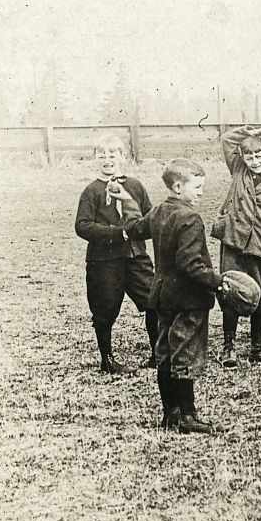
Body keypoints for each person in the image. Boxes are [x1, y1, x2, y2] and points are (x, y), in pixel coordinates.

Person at [132, 158, 225, 433]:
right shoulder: (190, 218)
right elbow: (190, 264)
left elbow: (137, 229)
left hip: (162, 296)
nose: (201, 193)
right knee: (184, 354)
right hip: (188, 299)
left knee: (165, 352)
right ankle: (187, 416)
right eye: (196, 187)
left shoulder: (160, 210)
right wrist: (218, 282)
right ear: (177, 186)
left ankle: (170, 414)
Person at [74, 134, 159, 373]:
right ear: (94, 158)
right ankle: (107, 359)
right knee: (105, 309)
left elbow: (149, 217)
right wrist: (117, 233)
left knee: (154, 301)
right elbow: (82, 225)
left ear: (123, 157)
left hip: (136, 257)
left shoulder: (135, 186)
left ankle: (157, 354)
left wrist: (140, 230)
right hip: (104, 260)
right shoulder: (91, 191)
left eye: (113, 154)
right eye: (102, 155)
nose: (107, 159)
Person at [213, 125, 261, 366]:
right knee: (229, 291)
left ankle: (258, 347)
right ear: (242, 158)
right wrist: (248, 131)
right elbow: (226, 139)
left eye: (259, 155)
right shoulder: (238, 171)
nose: (254, 161)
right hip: (234, 242)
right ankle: (229, 348)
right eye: (249, 156)